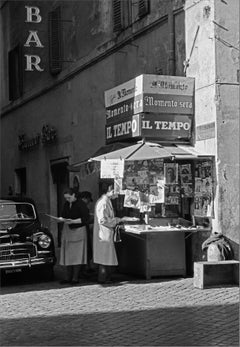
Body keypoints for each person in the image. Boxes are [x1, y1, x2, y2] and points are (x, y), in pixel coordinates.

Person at [59, 187, 90, 285]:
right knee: (67, 254)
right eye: (66, 198)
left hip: (79, 231)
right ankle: (67, 277)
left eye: (69, 198)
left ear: (74, 195)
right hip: (68, 231)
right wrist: (61, 219)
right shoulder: (66, 204)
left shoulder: (81, 204)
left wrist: (74, 221)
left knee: (77, 255)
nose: (67, 200)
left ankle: (75, 278)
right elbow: (63, 214)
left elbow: (85, 218)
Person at [93, 183, 121, 284]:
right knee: (104, 258)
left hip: (106, 232)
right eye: (116, 193)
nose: (117, 196)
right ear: (111, 191)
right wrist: (116, 221)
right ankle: (103, 278)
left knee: (106, 257)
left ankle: (106, 277)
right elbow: (103, 220)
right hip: (104, 234)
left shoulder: (107, 201)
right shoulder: (103, 202)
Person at [79, 191, 94, 271]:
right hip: (83, 229)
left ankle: (87, 266)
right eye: (88, 200)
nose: (88, 202)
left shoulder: (79, 205)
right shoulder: (82, 206)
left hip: (84, 229)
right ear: (85, 198)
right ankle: (85, 268)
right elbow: (86, 219)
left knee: (86, 248)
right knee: (86, 248)